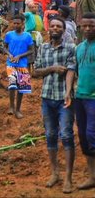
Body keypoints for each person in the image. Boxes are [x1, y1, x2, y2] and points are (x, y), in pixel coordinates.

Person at [33, 17, 76, 194]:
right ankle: (54, 173)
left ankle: (68, 177)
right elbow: (36, 72)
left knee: (66, 135)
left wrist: (67, 92)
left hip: (63, 99)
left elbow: (71, 71)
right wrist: (52, 68)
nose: (55, 28)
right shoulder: (43, 48)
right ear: (48, 29)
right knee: (50, 135)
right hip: (46, 97)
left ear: (64, 30)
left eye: (59, 26)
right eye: (53, 26)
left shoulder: (70, 48)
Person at [65, 13, 95, 191]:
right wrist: (69, 91)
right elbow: (71, 71)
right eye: (85, 26)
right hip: (80, 97)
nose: (88, 29)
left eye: (92, 25)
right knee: (84, 137)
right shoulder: (79, 48)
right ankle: (92, 176)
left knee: (92, 134)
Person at [5, 14, 34, 118]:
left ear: (23, 24)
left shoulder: (27, 36)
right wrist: (9, 54)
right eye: (14, 23)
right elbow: (4, 48)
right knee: (12, 85)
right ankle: (11, 106)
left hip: (22, 64)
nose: (15, 25)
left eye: (18, 23)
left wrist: (20, 56)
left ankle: (18, 109)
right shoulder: (9, 35)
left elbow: (31, 50)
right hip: (11, 64)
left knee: (21, 88)